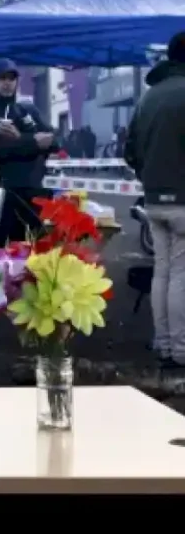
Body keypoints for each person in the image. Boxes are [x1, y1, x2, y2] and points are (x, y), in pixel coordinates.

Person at [125, 31, 185, 371]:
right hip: (183, 200)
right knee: (180, 274)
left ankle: (164, 345)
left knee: (163, 271)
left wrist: (150, 177)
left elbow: (129, 149)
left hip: (154, 200)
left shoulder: (149, 97)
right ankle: (180, 350)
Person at [0, 59, 57, 249]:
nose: (7, 83)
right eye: (1, 78)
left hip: (30, 193)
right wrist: (30, 142)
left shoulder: (26, 110)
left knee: (28, 250)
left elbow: (53, 142)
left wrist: (22, 139)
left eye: (12, 78)